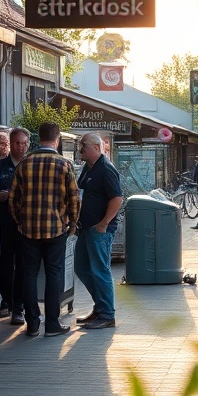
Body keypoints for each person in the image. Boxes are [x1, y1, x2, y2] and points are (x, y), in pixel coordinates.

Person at [9, 122, 80, 337]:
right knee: (54, 274)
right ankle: (52, 324)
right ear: (57, 139)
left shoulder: (24, 163)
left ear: (38, 138)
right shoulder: (64, 164)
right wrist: (73, 223)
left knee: (29, 274)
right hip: (56, 229)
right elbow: (74, 199)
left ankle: (32, 323)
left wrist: (20, 221)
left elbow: (13, 199)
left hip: (28, 229)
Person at [73, 132, 122, 330]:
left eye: (82, 146)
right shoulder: (88, 167)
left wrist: (103, 224)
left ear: (95, 147)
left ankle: (107, 314)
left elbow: (117, 198)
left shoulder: (106, 169)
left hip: (99, 230)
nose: (80, 150)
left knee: (100, 270)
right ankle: (100, 307)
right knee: (82, 268)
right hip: (86, 228)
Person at [0, 127, 31, 325]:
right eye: (17, 143)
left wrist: (10, 195)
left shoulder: (31, 165)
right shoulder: (0, 166)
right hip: (5, 222)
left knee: (24, 266)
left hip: (26, 223)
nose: (21, 147)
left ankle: (18, 305)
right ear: (11, 143)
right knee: (6, 264)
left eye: (24, 143)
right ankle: (7, 300)